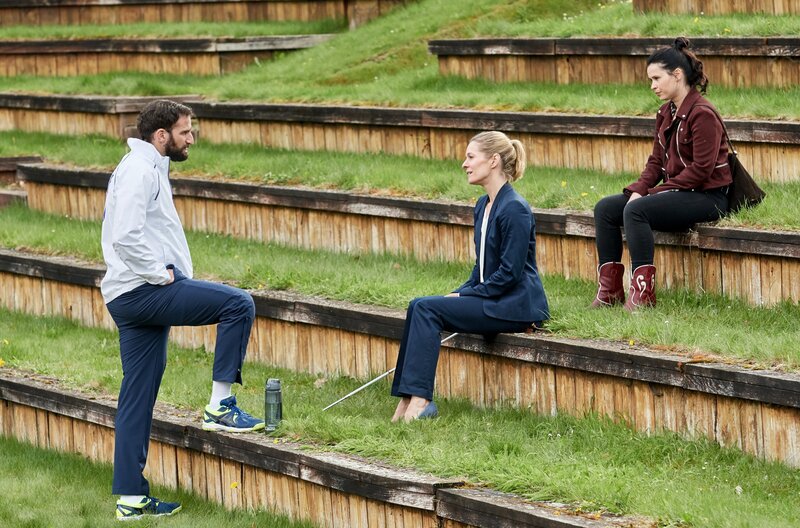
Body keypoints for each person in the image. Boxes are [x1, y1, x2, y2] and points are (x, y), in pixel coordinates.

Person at [101, 100, 264, 520]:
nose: (191, 138)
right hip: (143, 291)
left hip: (128, 295)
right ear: (162, 136)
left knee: (137, 396)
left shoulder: (146, 166)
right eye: (185, 132)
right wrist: (160, 274)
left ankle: (131, 499)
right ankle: (220, 406)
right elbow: (125, 236)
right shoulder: (140, 171)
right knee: (238, 304)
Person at [390, 131, 550, 422]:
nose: (464, 164)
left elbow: (509, 274)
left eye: (470, 156)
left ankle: (421, 402)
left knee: (427, 309)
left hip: (516, 306)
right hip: (495, 298)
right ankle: (407, 400)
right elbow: (482, 268)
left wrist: (467, 295)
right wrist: (460, 291)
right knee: (418, 305)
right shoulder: (482, 205)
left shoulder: (515, 208)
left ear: (493, 161)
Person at [592, 37, 731, 310]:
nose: (652, 86)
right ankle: (609, 292)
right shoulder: (666, 112)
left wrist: (653, 194)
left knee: (636, 210)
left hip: (708, 197)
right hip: (678, 193)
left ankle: (643, 296)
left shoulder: (702, 113)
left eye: (657, 78)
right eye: (650, 80)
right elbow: (656, 162)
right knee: (605, 209)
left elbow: (701, 170)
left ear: (677, 75)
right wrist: (638, 190)